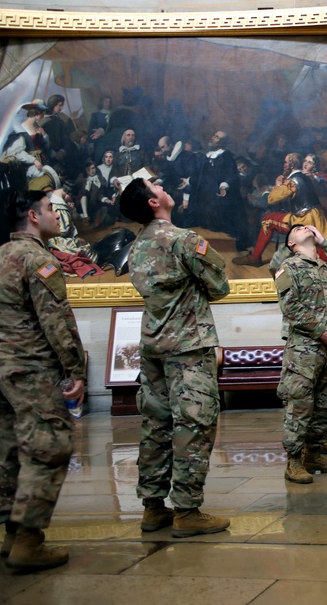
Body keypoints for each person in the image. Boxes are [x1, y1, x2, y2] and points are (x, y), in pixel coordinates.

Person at [0, 190, 86, 573]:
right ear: (33, 217)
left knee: (7, 451)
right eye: (51, 209)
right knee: (48, 446)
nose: (57, 215)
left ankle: (9, 535)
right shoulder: (39, 260)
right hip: (33, 372)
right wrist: (75, 371)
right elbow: (57, 323)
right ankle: (28, 541)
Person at [118, 178, 232, 537]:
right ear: (154, 202)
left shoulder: (136, 247)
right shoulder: (183, 239)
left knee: (155, 425)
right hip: (187, 345)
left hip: (152, 346)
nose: (162, 185)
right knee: (194, 424)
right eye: (155, 185)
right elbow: (220, 285)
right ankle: (187, 511)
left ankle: (153, 508)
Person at [272, 224, 327, 483]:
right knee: (300, 406)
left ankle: (314, 454)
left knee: (324, 405)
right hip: (303, 350)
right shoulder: (288, 268)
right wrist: (323, 332)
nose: (303, 227)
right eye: (297, 229)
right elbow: (290, 308)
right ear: (291, 243)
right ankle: (294, 461)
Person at [233, 152, 327, 266]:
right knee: (316, 242)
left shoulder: (292, 181)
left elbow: (271, 199)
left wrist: (278, 184)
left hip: (303, 218)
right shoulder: (307, 177)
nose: (284, 164)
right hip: (318, 216)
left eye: (286, 162)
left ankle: (254, 258)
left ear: (292, 165)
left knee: (267, 220)